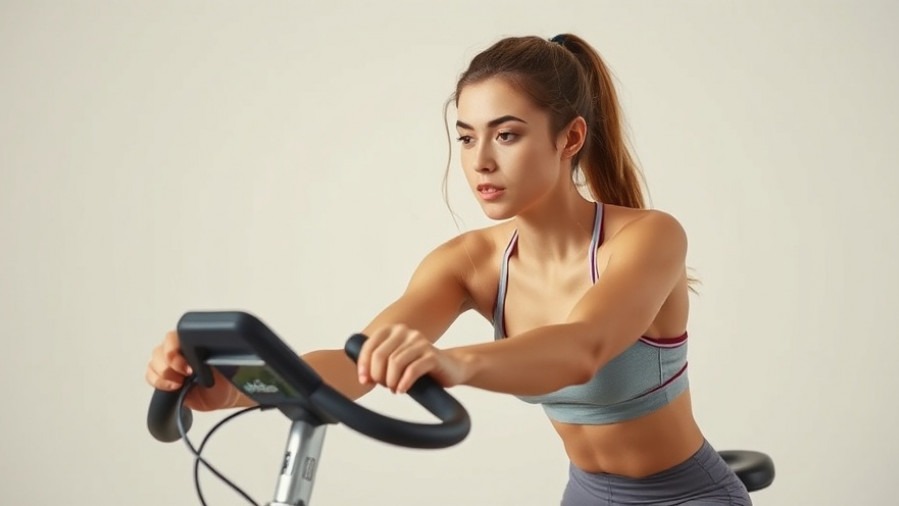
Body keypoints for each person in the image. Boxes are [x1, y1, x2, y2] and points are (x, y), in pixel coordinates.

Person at [146, 33, 752, 505]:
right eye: (465, 138)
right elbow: (362, 362)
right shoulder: (470, 263)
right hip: (586, 494)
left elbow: (582, 346)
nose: (481, 161)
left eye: (507, 135)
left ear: (569, 138)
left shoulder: (647, 237)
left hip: (686, 494)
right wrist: (235, 382)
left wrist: (457, 362)